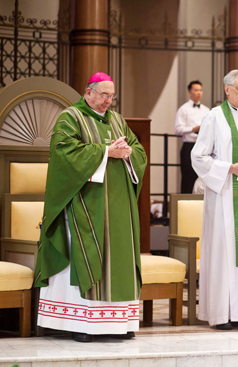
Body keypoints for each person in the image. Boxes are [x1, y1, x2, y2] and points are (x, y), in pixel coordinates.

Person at [34, 72, 147, 342]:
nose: (108, 101)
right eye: (103, 95)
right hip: (84, 202)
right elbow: (64, 154)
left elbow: (138, 150)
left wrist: (129, 153)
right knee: (87, 254)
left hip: (119, 204)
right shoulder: (70, 117)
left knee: (119, 257)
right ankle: (82, 322)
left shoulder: (118, 120)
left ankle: (120, 323)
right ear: (88, 92)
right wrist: (106, 152)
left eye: (112, 96)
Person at [191, 69, 238, 330]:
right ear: (227, 89)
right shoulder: (214, 117)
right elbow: (198, 156)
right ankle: (222, 314)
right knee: (226, 253)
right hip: (224, 196)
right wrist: (228, 168)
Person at [174, 80, 210, 193]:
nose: (199, 93)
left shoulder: (206, 110)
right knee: (188, 178)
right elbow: (177, 129)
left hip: (203, 147)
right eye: (196, 90)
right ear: (190, 92)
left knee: (203, 177)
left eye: (200, 90)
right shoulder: (184, 109)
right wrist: (193, 129)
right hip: (189, 146)